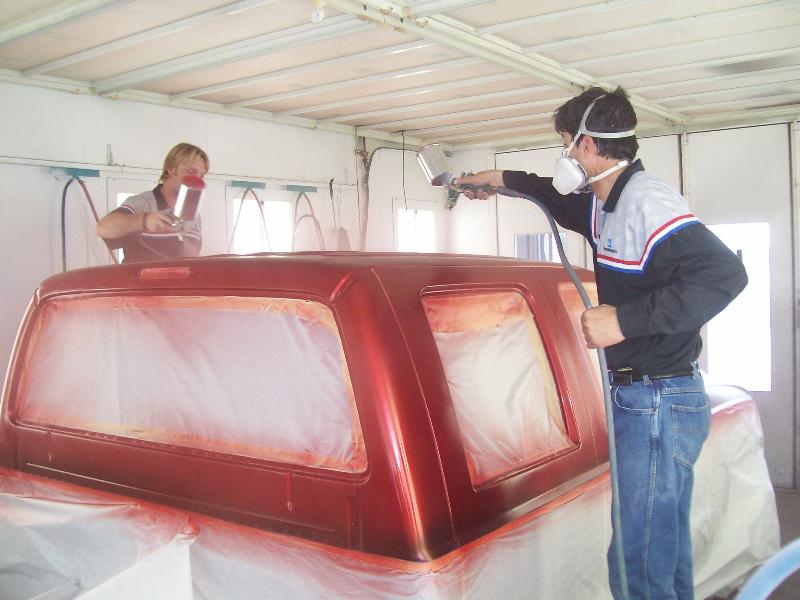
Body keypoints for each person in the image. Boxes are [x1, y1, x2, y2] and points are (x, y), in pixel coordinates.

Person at [458, 87, 747, 600]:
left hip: (658, 399)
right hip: (647, 397)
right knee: (660, 548)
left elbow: (724, 275)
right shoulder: (607, 202)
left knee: (639, 558)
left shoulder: (645, 202)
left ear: (587, 145)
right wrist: (493, 181)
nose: (565, 155)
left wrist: (625, 321)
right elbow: (551, 196)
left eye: (566, 144)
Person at [97, 143, 209, 263]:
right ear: (171, 169)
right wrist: (143, 220)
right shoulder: (143, 203)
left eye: (201, 176)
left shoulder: (195, 216)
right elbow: (103, 228)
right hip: (140, 275)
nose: (197, 180)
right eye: (191, 172)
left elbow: (192, 258)